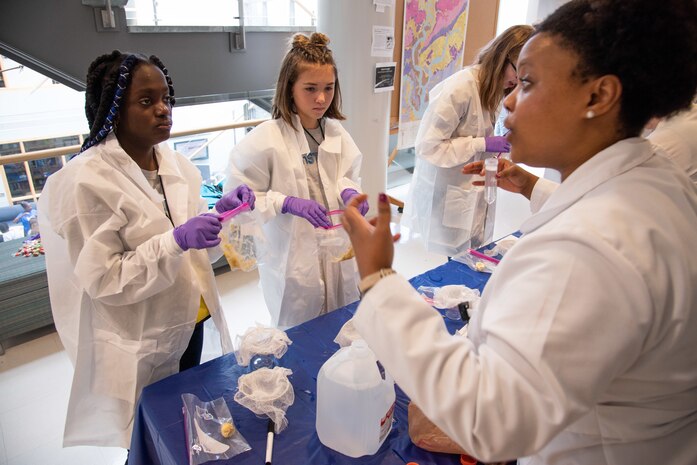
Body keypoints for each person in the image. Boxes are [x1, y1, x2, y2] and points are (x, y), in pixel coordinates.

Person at [341, 0, 697, 463]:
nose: (509, 100)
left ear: (598, 96)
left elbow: (487, 421)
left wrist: (379, 281)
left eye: (527, 83)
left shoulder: (587, 250)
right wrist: (530, 184)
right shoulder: (656, 180)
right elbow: (601, 211)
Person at [38, 50, 255, 449]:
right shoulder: (83, 182)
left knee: (180, 428)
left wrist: (220, 214)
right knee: (149, 438)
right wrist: (176, 240)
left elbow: (194, 243)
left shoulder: (176, 165)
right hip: (139, 340)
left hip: (191, 321)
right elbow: (105, 279)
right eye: (146, 101)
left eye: (166, 99)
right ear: (113, 110)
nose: (163, 110)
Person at [224, 33, 367, 328]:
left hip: (335, 246)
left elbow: (346, 174)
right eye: (310, 88)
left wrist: (351, 191)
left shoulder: (336, 133)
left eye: (328, 88)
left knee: (341, 321)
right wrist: (286, 202)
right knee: (299, 329)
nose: (321, 98)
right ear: (289, 89)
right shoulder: (265, 139)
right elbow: (239, 198)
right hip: (292, 254)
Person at [402, 25, 533, 258]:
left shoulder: (496, 88)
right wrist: (482, 144)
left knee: (475, 254)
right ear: (503, 57)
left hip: (477, 193)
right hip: (451, 194)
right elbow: (428, 146)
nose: (518, 82)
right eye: (518, 72)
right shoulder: (460, 88)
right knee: (456, 259)